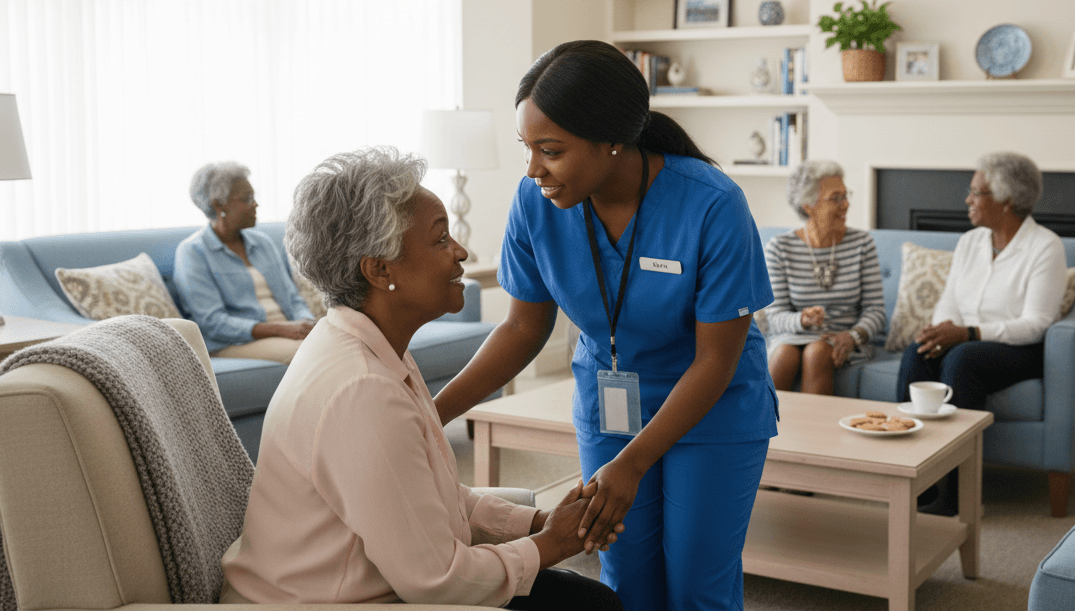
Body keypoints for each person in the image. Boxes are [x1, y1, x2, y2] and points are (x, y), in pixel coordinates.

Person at [433, 40, 777, 611]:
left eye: (551, 150)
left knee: (696, 585)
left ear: (612, 141)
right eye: (527, 148)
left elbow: (716, 359)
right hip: (613, 405)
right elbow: (522, 329)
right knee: (626, 579)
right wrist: (429, 414)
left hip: (712, 408)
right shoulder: (536, 202)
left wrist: (634, 463)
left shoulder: (712, 204)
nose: (534, 169)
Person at [219, 147, 622, 609]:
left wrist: (539, 523)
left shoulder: (367, 343)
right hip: (329, 602)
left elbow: (429, 498)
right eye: (439, 239)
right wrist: (555, 544)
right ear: (380, 269)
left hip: (378, 586)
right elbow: (438, 583)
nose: (460, 251)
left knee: (588, 599)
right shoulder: (362, 390)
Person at [896, 152, 1067, 515]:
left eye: (977, 192)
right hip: (967, 339)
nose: (968, 200)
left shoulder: (1045, 247)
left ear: (1006, 201)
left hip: (1019, 348)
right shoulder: (970, 242)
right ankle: (913, 484)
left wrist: (969, 333)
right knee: (917, 351)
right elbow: (949, 302)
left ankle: (956, 494)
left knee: (962, 358)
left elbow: (1036, 323)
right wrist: (941, 330)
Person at [763, 160, 886, 395]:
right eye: (836, 198)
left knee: (817, 351)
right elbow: (774, 316)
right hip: (793, 335)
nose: (846, 204)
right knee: (784, 355)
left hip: (845, 338)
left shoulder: (862, 243)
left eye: (845, 195)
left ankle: (816, 431)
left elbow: (876, 311)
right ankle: (759, 429)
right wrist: (802, 320)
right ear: (808, 205)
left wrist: (852, 336)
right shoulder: (780, 247)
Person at [174, 162, 314, 364]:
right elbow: (212, 322)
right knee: (312, 353)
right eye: (247, 199)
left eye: (254, 197)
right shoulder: (192, 252)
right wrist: (280, 329)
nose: (255, 204)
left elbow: (293, 299)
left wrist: (308, 323)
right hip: (235, 343)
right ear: (218, 205)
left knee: (342, 344)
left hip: (287, 332)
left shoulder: (262, 243)